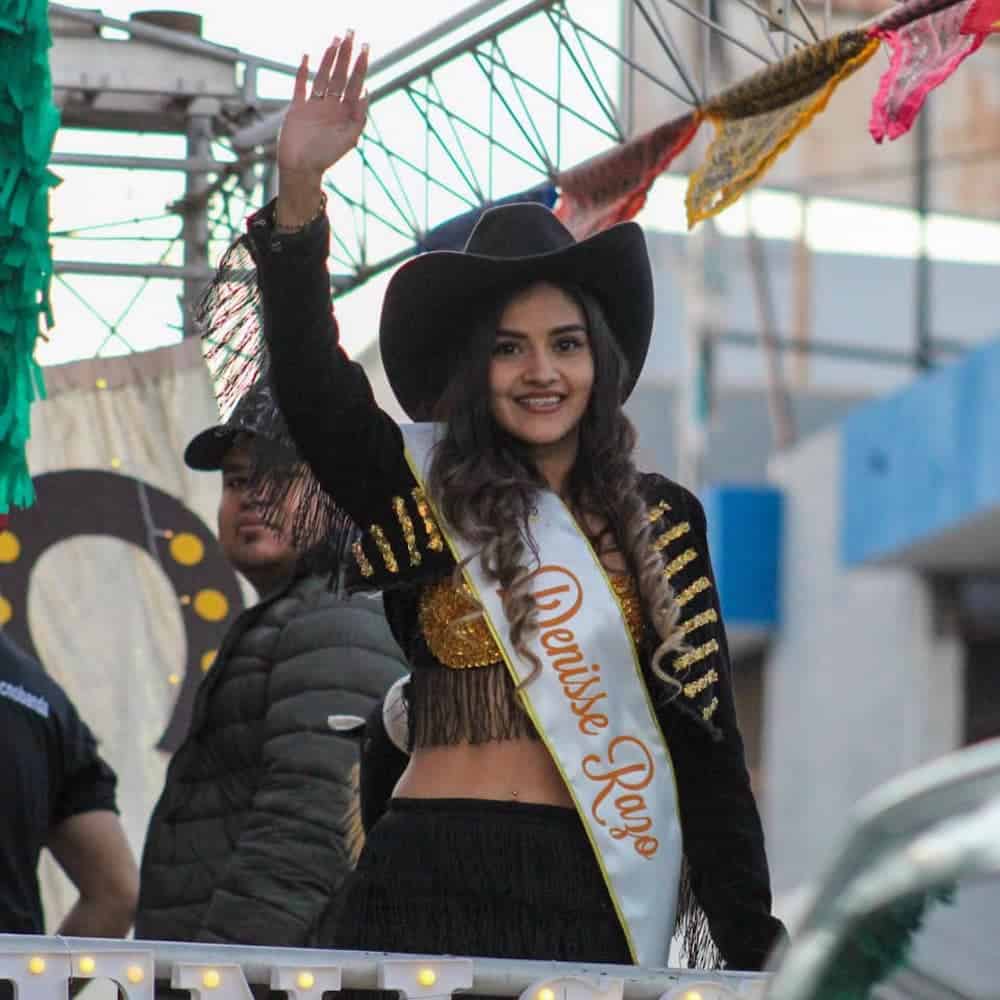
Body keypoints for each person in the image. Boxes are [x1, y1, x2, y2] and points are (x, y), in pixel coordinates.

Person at [203, 32, 786, 971]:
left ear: (600, 360)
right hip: (421, 881)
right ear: (475, 371)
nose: (541, 371)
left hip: (588, 895)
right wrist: (303, 192)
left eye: (565, 343)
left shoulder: (664, 519)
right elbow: (314, 388)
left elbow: (707, 756)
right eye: (510, 348)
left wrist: (757, 957)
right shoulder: (422, 489)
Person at [134, 378, 408, 946]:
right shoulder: (302, 614)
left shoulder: (338, 615)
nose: (251, 495)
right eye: (236, 480)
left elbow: (307, 836)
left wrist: (215, 983)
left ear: (336, 491)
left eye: (279, 477)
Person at [0, 631, 138, 938]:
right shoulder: (42, 697)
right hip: (9, 974)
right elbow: (116, 894)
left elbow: (117, 895)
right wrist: (41, 986)